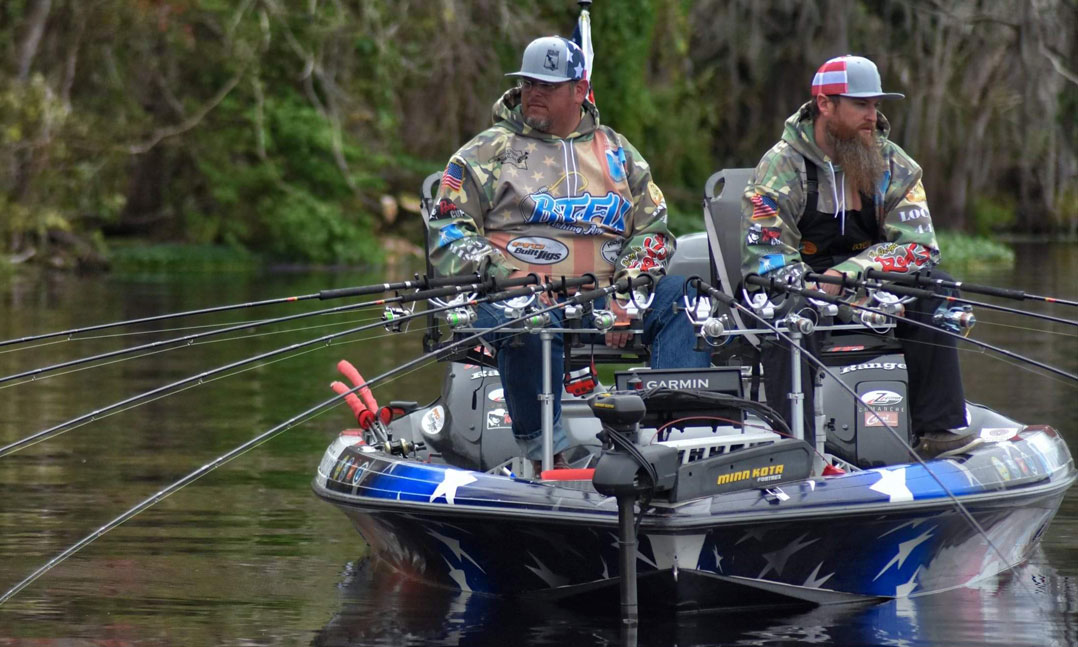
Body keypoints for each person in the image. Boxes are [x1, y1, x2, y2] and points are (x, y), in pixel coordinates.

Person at [427, 36, 710, 470]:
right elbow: (448, 228)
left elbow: (653, 228)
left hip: (603, 294)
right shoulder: (486, 151)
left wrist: (628, 291)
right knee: (527, 316)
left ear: (579, 90)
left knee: (687, 299)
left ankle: (674, 437)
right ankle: (549, 447)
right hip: (517, 296)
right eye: (527, 83)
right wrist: (503, 275)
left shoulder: (618, 151)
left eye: (547, 85)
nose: (533, 93)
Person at [740, 54, 977, 459]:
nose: (873, 116)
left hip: (866, 284)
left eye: (876, 105)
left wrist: (852, 275)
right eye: (861, 105)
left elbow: (919, 248)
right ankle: (792, 448)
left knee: (936, 289)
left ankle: (939, 430)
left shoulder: (893, 163)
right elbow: (764, 258)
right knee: (787, 314)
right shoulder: (779, 166)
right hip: (798, 285)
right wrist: (816, 286)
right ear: (825, 105)